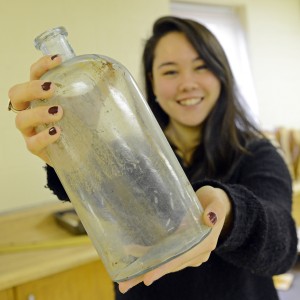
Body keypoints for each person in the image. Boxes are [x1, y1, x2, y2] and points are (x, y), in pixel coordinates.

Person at [8, 16, 298, 300]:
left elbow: (282, 247)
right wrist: (67, 154)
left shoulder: (256, 153)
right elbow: (93, 194)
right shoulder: (125, 156)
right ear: (152, 81)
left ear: (221, 75)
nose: (187, 83)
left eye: (202, 67)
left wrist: (230, 210)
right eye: (170, 71)